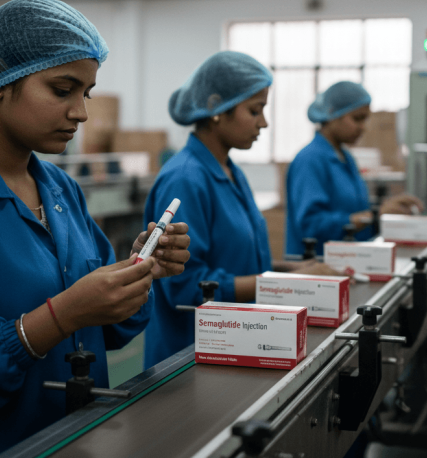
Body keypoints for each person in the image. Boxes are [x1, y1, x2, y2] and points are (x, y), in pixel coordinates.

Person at [0, 0, 191, 456]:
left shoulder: (59, 190)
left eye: (86, 93)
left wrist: (136, 273)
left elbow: (106, 329)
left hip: (73, 440)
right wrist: (58, 317)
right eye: (62, 89)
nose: (82, 112)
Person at [143, 51, 338, 368]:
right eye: (255, 110)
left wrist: (292, 271)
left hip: (240, 342)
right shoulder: (186, 179)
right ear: (218, 109)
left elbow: (238, 260)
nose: (264, 122)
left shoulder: (230, 170)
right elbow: (187, 287)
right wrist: (280, 284)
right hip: (190, 356)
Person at [286, 80, 424, 256]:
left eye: (365, 119)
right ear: (332, 114)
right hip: (319, 268)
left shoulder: (345, 157)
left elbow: (355, 212)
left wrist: (384, 211)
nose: (363, 127)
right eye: (357, 119)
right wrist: (373, 216)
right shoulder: (310, 160)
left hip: (350, 260)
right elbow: (311, 226)